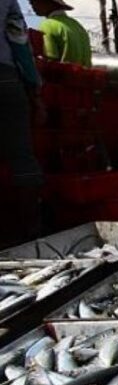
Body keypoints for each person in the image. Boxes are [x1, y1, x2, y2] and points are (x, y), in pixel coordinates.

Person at [2, 0, 45, 240]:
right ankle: (31, 234)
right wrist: (35, 89)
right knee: (21, 155)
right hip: (5, 77)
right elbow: (19, 41)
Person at [29, 0, 91, 67]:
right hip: (85, 76)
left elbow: (50, 61)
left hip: (64, 76)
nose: (31, 5)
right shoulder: (77, 25)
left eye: (33, 1)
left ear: (49, 3)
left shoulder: (47, 25)